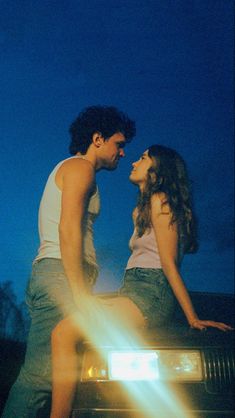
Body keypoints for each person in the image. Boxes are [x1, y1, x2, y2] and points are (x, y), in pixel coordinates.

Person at [49, 144, 233, 418]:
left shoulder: (161, 199)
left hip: (151, 293)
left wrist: (192, 317)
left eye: (143, 158)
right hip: (134, 290)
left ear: (157, 170)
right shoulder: (148, 205)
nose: (133, 161)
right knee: (76, 321)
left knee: (63, 333)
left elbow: (169, 265)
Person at [2, 105, 136, 418]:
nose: (123, 153)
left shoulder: (76, 169)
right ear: (98, 138)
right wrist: (78, 291)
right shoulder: (80, 168)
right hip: (61, 275)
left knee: (57, 377)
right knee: (39, 377)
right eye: (120, 144)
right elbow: (68, 228)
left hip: (59, 274)